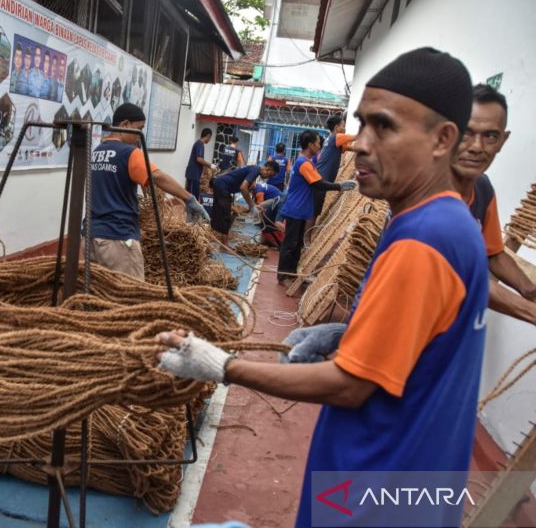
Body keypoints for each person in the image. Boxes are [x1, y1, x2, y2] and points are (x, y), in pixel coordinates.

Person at [156, 48, 488, 528]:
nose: (358, 145)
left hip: (374, 493)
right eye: (362, 125)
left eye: (385, 127)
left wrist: (222, 365)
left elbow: (350, 387)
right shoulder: (450, 222)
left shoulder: (423, 241)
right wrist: (351, 334)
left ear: (442, 139)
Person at [89, 103, 209, 280]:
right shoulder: (129, 153)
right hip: (118, 239)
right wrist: (189, 199)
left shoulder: (96, 152)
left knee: (100, 294)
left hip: (91, 237)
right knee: (132, 297)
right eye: (139, 129)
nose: (139, 136)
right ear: (125, 125)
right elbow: (158, 177)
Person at [451, 84, 536, 325]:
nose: (478, 147)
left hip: (452, 330)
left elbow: (493, 254)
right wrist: (530, 312)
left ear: (502, 140)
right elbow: (461, 277)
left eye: (490, 135)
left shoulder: (482, 188)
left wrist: (529, 290)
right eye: (467, 132)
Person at [277, 131, 355, 283]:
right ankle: (282, 275)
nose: (320, 146)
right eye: (318, 143)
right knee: (290, 245)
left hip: (301, 208)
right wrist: (340, 186)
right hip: (296, 209)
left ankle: (291, 274)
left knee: (297, 244)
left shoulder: (306, 160)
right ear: (310, 145)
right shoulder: (304, 164)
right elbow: (318, 183)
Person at [210, 162, 274, 244]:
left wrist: (253, 205)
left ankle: (223, 240)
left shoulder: (254, 169)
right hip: (223, 186)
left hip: (222, 185)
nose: (267, 178)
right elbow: (243, 188)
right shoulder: (256, 170)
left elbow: (247, 187)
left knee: (223, 213)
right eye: (270, 175)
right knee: (225, 214)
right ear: (268, 170)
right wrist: (251, 206)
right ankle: (224, 245)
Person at [313, 114, 355, 218]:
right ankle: (306, 235)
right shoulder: (337, 137)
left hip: (320, 178)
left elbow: (352, 148)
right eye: (343, 126)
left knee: (314, 211)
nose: (344, 128)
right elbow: (356, 137)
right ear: (336, 127)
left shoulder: (331, 140)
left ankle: (306, 234)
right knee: (313, 213)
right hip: (321, 180)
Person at [184, 128, 213, 201]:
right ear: (208, 136)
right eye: (210, 138)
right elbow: (199, 159)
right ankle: (190, 212)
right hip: (193, 174)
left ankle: (192, 211)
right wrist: (210, 165)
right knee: (191, 197)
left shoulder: (198, 143)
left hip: (195, 175)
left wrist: (203, 171)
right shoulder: (200, 144)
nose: (209, 140)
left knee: (194, 196)